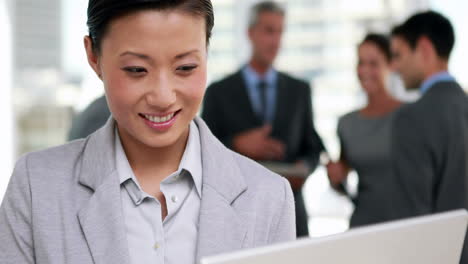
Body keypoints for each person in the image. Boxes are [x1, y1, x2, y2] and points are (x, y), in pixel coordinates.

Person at [0, 1, 296, 263]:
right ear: (94, 57)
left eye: (186, 67)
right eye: (137, 70)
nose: (163, 96)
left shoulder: (269, 198)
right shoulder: (36, 188)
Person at [202, 1, 324, 237]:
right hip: (235, 213)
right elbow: (203, 151)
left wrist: (304, 169)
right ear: (250, 33)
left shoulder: (300, 91)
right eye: (269, 30)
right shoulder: (219, 92)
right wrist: (237, 145)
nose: (276, 40)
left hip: (291, 213)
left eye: (280, 31)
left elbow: (313, 148)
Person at [390, 11, 468, 263]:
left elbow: (416, 222)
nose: (394, 66)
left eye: (399, 55)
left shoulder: (411, 118)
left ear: (423, 48)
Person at [326, 33, 402, 227]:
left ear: (390, 65)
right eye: (361, 63)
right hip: (364, 224)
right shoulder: (347, 123)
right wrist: (335, 178)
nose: (364, 70)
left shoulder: (410, 116)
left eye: (373, 63)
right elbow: (343, 182)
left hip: (406, 222)